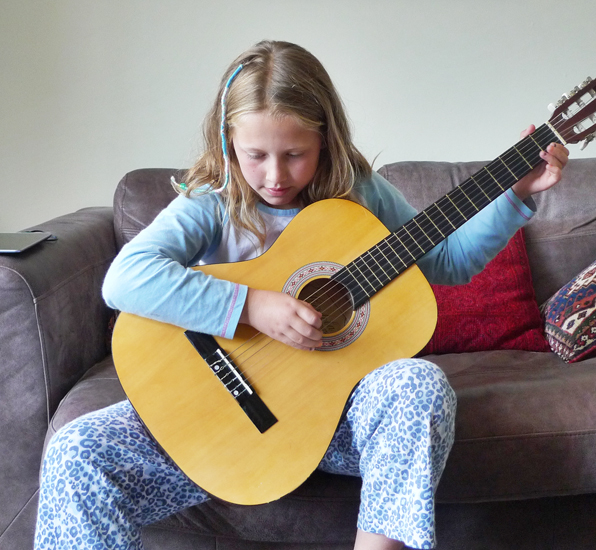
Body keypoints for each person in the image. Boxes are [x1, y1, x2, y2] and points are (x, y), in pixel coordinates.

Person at [34, 40, 568, 550]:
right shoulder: (214, 201)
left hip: (337, 419)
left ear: (325, 139)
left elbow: (449, 262)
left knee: (420, 384)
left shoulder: (360, 196)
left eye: (294, 154)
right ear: (226, 142)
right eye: (255, 155)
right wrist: (251, 306)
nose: (273, 176)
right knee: (77, 451)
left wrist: (515, 193)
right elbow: (125, 279)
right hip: (216, 417)